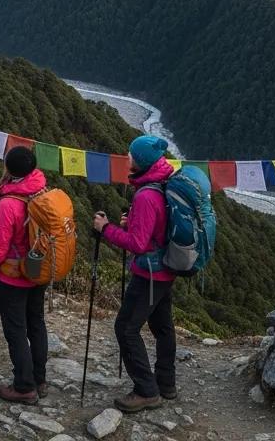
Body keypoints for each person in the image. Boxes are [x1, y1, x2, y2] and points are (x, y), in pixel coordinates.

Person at [93, 135, 177, 412]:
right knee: (162, 327)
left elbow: (138, 244)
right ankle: (166, 383)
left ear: (140, 161)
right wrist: (134, 224)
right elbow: (155, 229)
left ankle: (146, 390)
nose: (127, 159)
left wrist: (106, 229)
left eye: (130, 156)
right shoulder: (165, 181)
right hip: (167, 268)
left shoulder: (145, 194)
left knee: (126, 329)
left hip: (149, 273)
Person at [0, 145, 49, 404]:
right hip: (38, 270)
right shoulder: (42, 190)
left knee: (16, 330)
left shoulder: (8, 204)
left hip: (13, 276)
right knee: (36, 323)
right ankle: (39, 379)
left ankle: (24, 386)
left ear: (8, 169)